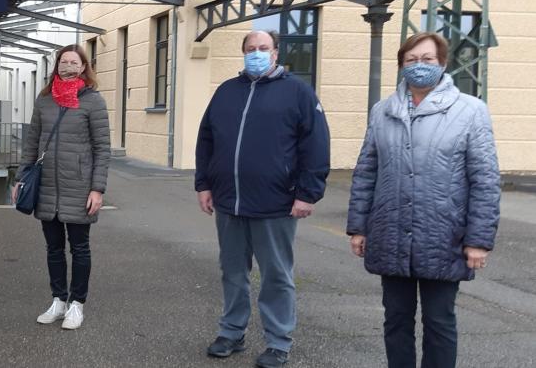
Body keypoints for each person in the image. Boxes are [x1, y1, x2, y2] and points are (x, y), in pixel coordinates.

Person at [346, 32, 500, 368]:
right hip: (391, 233)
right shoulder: (383, 111)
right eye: (411, 60)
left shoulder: (470, 111)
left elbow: (485, 180)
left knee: (439, 322)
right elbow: (366, 172)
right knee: (396, 320)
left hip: (444, 237)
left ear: (443, 63)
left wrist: (478, 241)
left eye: (427, 59)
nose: (419, 66)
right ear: (401, 64)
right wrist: (358, 227)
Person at [194, 30, 330, 368]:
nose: (256, 53)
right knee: (232, 272)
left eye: (263, 48)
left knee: (277, 276)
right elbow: (206, 139)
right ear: (243, 53)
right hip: (229, 203)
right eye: (250, 49)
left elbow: (316, 145)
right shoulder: (227, 92)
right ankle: (231, 332)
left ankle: (278, 341)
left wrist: (308, 193)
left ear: (275, 53)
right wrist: (204, 184)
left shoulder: (298, 92)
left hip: (276, 204)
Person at [14, 44, 110, 330]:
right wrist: (21, 177)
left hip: (79, 186)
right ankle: (58, 300)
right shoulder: (44, 100)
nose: (68, 66)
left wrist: (97, 189)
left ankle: (77, 304)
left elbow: (102, 148)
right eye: (63, 62)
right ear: (57, 66)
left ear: (83, 67)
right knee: (53, 248)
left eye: (74, 62)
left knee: (79, 247)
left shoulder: (93, 101)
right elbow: (31, 142)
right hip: (46, 185)